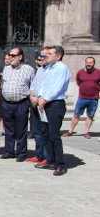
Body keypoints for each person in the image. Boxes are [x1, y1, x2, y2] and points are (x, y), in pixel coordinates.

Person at [35, 45, 71, 176]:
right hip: (44, 103)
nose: (47, 55)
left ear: (58, 56)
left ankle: (60, 164)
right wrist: (40, 97)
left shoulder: (62, 68)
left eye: (50, 53)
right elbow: (45, 85)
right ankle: (50, 160)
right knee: (45, 133)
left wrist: (46, 99)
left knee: (54, 135)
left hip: (55, 104)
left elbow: (57, 87)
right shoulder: (49, 68)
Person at [0, 47, 35, 162]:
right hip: (7, 103)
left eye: (13, 55)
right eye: (9, 55)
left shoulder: (28, 69)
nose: (10, 57)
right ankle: (9, 151)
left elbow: (33, 86)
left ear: (20, 57)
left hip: (21, 103)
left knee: (21, 129)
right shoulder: (6, 69)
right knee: (9, 129)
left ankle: (21, 153)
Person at [63, 57, 99, 139]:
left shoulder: (98, 72)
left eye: (90, 62)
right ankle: (70, 131)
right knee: (76, 115)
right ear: (85, 63)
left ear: (94, 63)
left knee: (90, 115)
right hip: (82, 98)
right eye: (87, 62)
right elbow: (78, 82)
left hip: (94, 98)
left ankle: (86, 132)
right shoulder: (80, 72)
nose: (89, 64)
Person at [27, 48, 49, 163]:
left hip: (46, 104)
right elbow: (33, 85)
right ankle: (39, 154)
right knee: (37, 131)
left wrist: (42, 97)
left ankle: (47, 156)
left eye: (44, 56)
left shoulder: (53, 70)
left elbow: (52, 87)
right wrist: (32, 96)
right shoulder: (40, 70)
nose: (41, 59)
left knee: (46, 132)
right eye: (41, 56)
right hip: (35, 103)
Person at [0, 52, 12, 137]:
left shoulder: (14, 69)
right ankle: (2, 128)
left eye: (8, 59)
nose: (7, 61)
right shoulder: (1, 69)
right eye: (5, 59)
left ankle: (9, 128)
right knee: (0, 112)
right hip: (2, 92)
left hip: (9, 92)